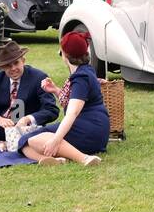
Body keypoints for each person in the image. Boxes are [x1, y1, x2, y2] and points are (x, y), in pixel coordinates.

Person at [17, 31, 109, 166]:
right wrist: (55, 90)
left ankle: (84, 158)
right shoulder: (86, 71)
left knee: (30, 140)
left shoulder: (80, 78)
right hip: (97, 130)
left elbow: (73, 112)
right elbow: (73, 101)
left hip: (87, 132)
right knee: (25, 142)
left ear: (65, 54)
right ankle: (51, 160)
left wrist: (56, 140)